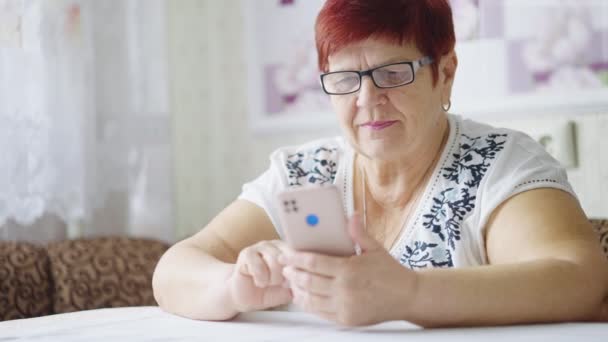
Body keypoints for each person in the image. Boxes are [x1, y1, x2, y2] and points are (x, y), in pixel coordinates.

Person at [152, 0, 608, 327]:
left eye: (393, 74)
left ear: (444, 73)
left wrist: (408, 295)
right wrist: (235, 285)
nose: (367, 99)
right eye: (346, 78)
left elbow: (578, 279)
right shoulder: (303, 173)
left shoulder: (501, 165)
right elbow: (175, 270)